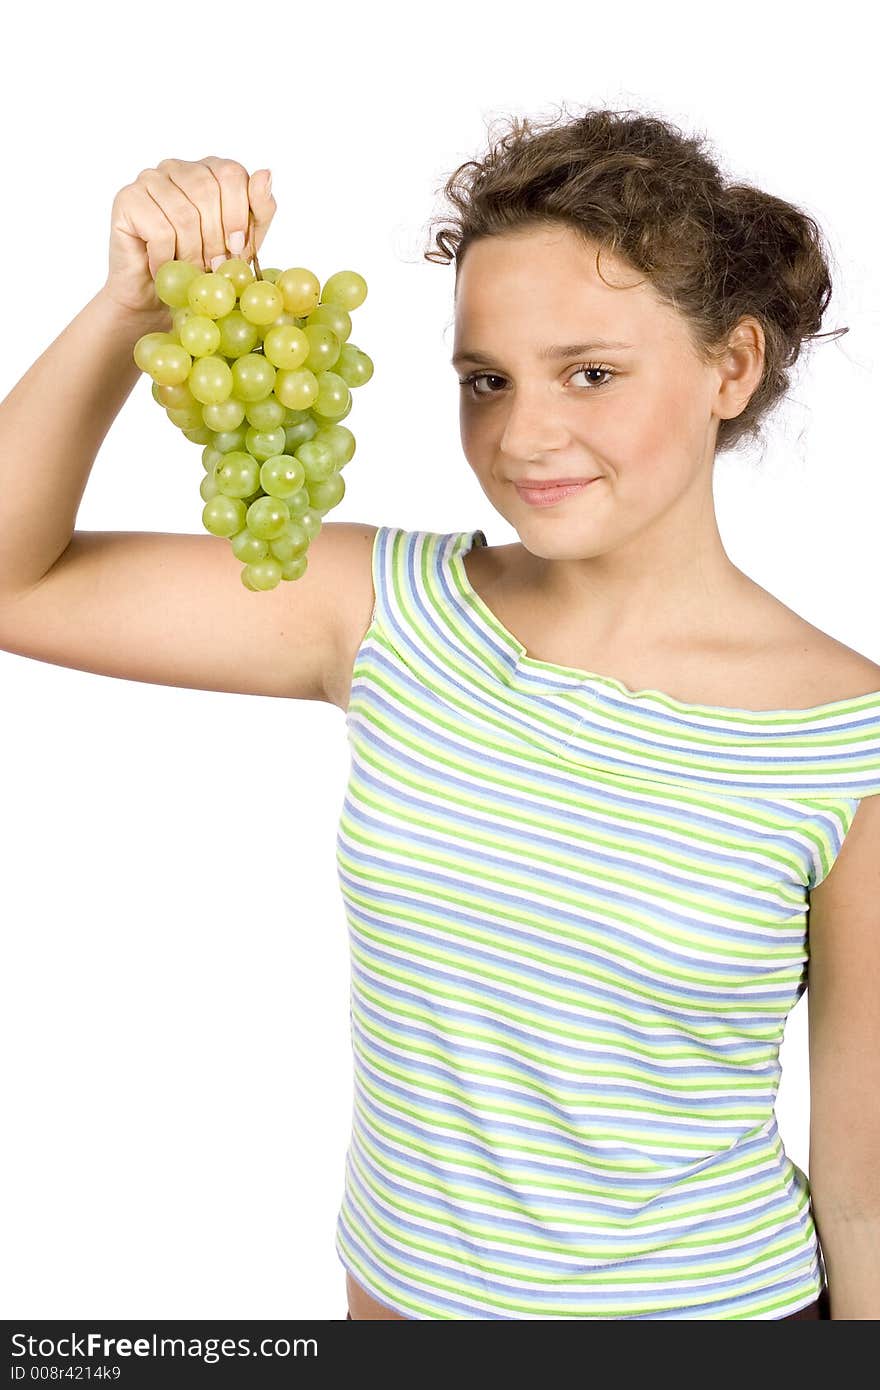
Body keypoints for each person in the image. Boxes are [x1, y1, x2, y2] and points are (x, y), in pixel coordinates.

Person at [0, 107, 877, 1321]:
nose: (523, 434)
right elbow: (11, 579)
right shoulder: (390, 612)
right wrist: (130, 313)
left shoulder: (850, 737)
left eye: (591, 373)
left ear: (729, 366)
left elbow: (867, 1187)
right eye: (485, 379)